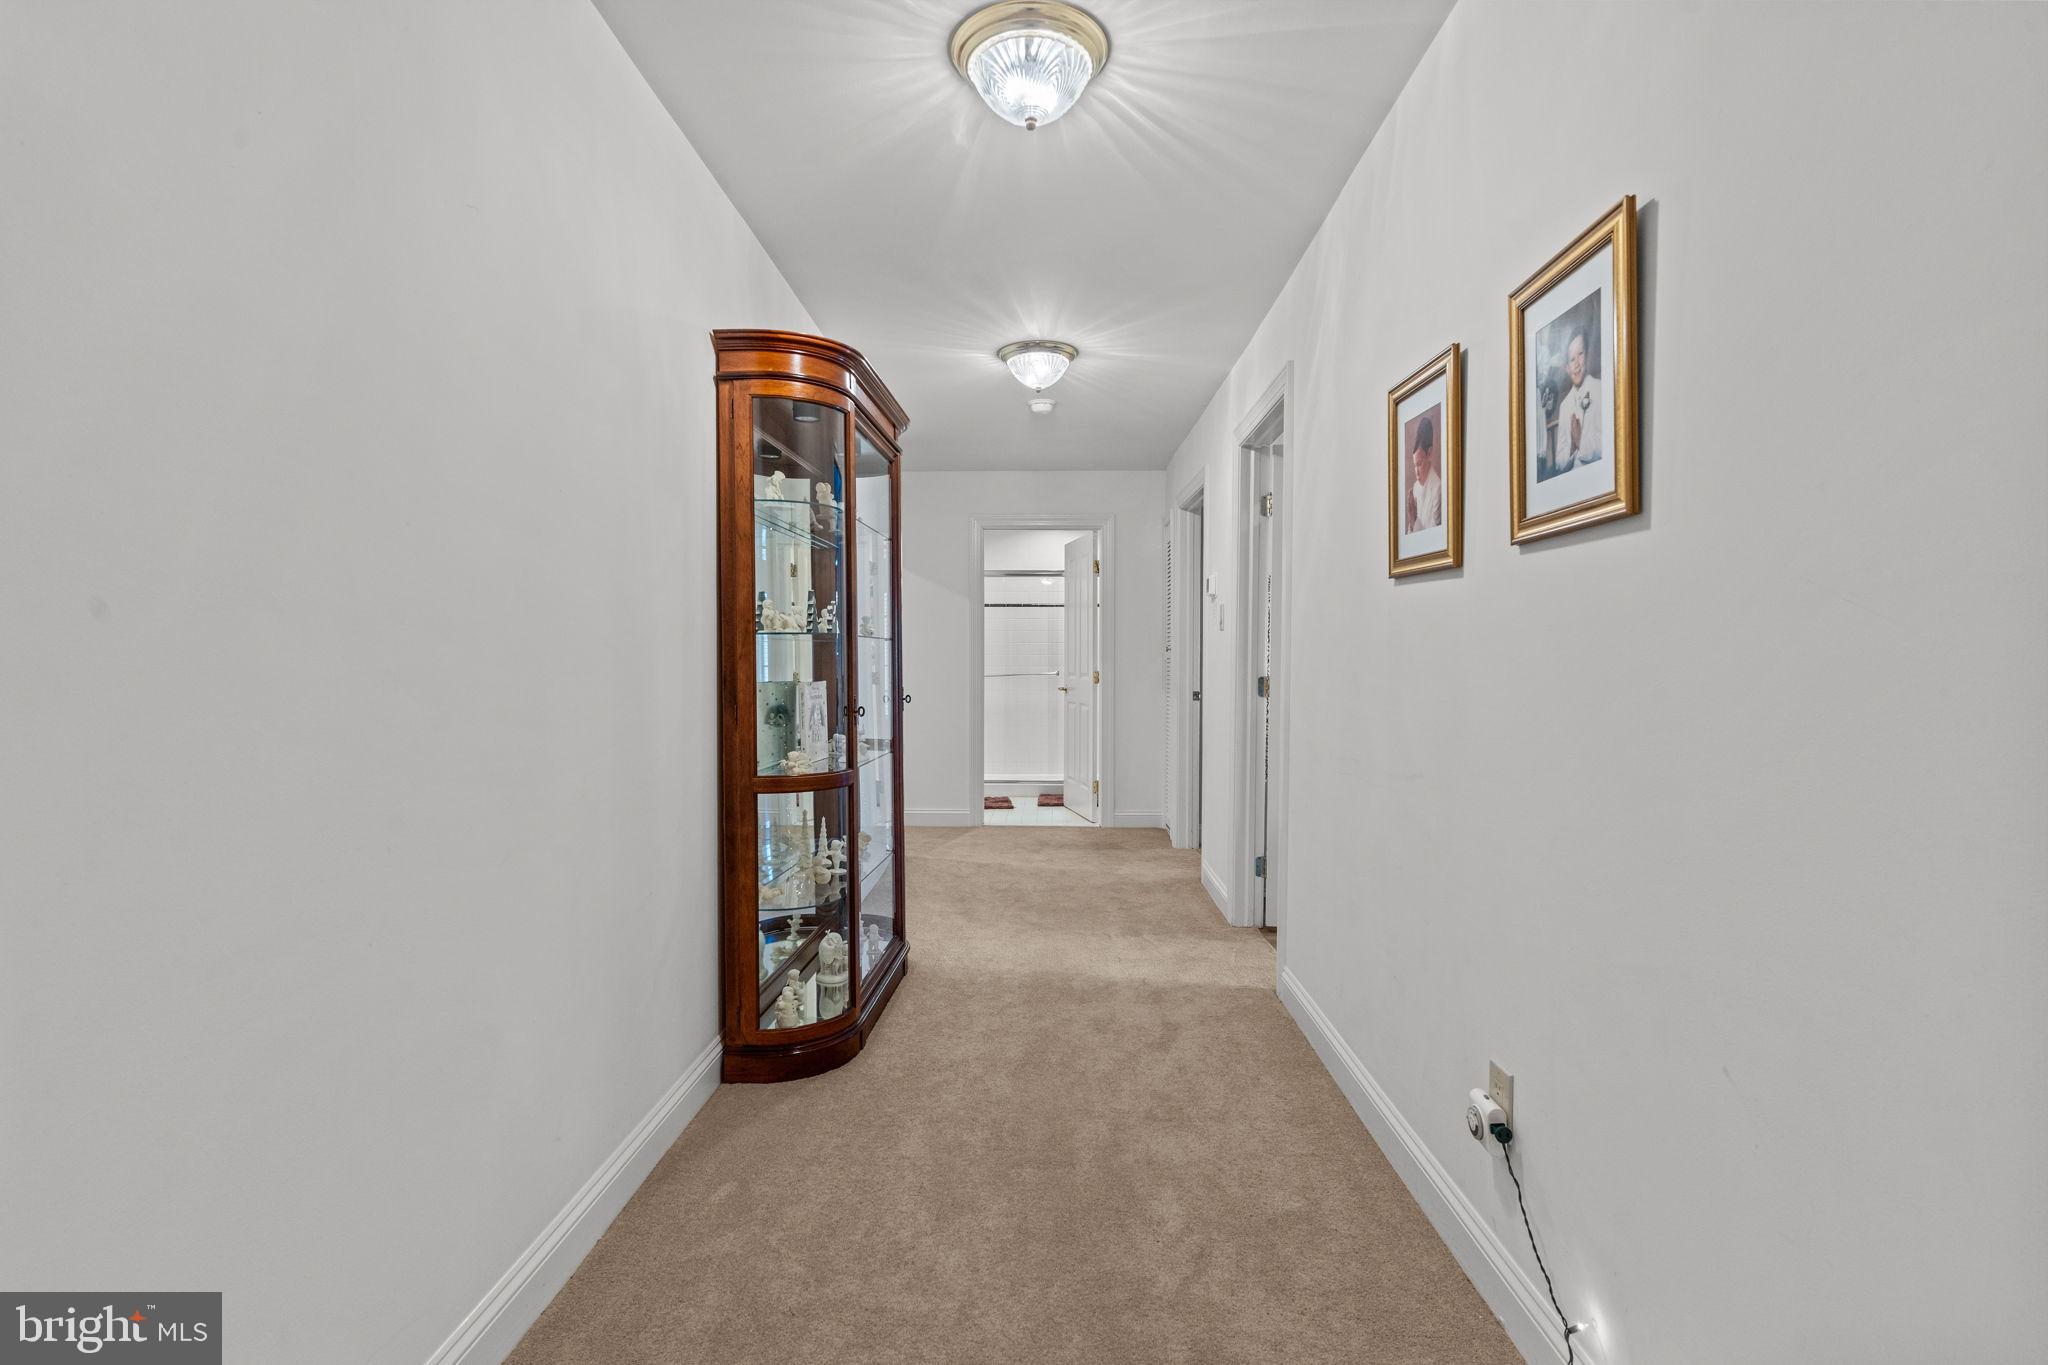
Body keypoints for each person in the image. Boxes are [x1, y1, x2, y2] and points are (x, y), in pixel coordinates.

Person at [1552, 331, 1603, 473]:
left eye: (1580, 354)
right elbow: (1559, 463)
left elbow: (1609, 444)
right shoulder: (1564, 405)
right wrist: (1571, 449)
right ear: (1567, 368)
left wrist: (1581, 442)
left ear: (1587, 355)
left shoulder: (1600, 389)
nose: (1577, 364)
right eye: (1572, 359)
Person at [1405, 414, 1442, 533]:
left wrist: (1414, 521)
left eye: (1419, 464)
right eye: (1414, 465)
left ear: (1430, 454)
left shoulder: (1438, 489)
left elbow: (1434, 538)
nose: (1416, 472)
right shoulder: (1416, 487)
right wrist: (1411, 523)